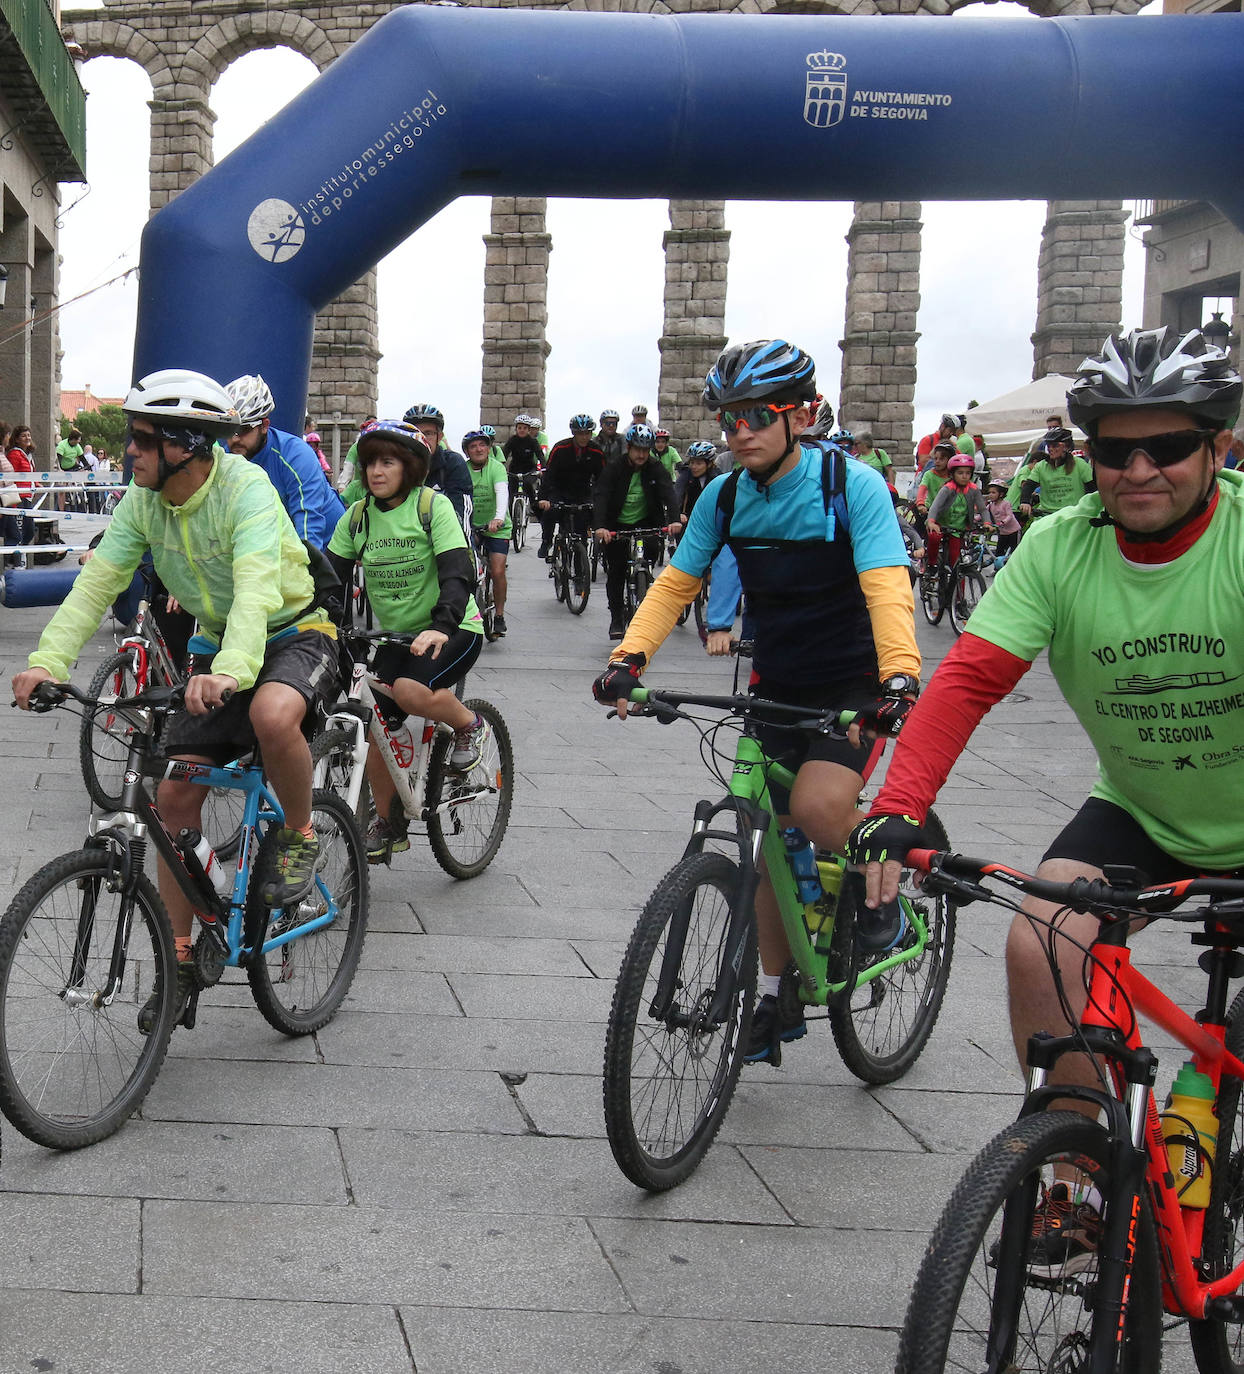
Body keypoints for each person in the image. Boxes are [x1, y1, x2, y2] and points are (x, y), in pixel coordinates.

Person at [848, 326, 1243, 1265]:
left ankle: (1206, 1119)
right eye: (1114, 449)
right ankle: (1079, 1178)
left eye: (1169, 446)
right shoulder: (1061, 547)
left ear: (1219, 448)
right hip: (1143, 813)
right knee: (1041, 934)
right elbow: (967, 682)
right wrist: (896, 808)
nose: (1139, 468)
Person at [592, 338, 920, 1065]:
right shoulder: (726, 493)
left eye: (755, 416)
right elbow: (678, 582)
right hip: (776, 680)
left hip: (854, 684)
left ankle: (883, 895)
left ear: (799, 416)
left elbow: (886, 586)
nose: (737, 430)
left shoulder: (851, 486)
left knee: (816, 808)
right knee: (760, 832)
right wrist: (628, 659)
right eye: (728, 416)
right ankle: (777, 999)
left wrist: (899, 676)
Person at [13, 370, 342, 1028]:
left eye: (139, 439)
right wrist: (46, 662)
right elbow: (97, 584)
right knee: (169, 804)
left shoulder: (244, 487)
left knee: (272, 713)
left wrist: (233, 669)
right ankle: (184, 959)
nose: (127, 451)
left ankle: (301, 835)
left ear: (185, 446)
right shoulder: (143, 503)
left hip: (296, 631)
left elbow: (254, 585)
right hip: (222, 645)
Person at [325, 420, 487, 864]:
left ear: (410, 468)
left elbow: (458, 572)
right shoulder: (357, 516)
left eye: (388, 462)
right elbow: (329, 576)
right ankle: (391, 824)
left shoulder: (431, 507)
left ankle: (468, 725)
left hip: (454, 628)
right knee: (375, 719)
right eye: (370, 462)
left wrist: (442, 624)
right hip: (396, 637)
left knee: (412, 692)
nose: (375, 471)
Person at [226, 375, 345, 550]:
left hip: (330, 543)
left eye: (243, 429)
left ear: (264, 425)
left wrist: (309, 572)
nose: (234, 439)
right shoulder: (227, 458)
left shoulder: (296, 456)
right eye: (229, 429)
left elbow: (308, 525)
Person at [593, 422, 676, 640]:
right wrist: (601, 526)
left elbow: (669, 493)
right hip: (617, 524)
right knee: (617, 570)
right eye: (637, 449)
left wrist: (675, 520)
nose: (641, 455)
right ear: (628, 447)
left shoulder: (656, 467)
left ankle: (643, 584)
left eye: (645, 450)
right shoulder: (614, 467)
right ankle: (617, 617)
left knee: (649, 555)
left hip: (647, 521)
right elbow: (601, 495)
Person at [463, 428, 510, 638]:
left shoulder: (496, 468)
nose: (478, 449)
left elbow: (501, 492)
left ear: (489, 448)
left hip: (497, 527)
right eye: (473, 446)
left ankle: (499, 616)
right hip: (471, 525)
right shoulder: (462, 470)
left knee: (498, 570)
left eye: (482, 445)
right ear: (467, 451)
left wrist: (499, 517)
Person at [539, 414, 604, 560]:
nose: (583, 437)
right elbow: (549, 475)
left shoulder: (596, 451)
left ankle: (582, 557)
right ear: (573, 433)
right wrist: (543, 498)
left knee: (585, 522)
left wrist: (601, 499)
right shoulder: (560, 448)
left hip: (583, 491)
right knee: (550, 512)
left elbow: (602, 478)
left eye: (587, 433)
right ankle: (546, 541)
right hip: (560, 489)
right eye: (580, 433)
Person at [925, 454, 990, 579]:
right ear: (952, 474)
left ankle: (958, 594)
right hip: (941, 525)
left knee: (956, 564)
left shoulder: (973, 489)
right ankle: (932, 564)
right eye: (960, 473)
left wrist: (987, 523)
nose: (964, 476)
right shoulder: (947, 489)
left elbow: (982, 508)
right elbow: (935, 506)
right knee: (934, 536)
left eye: (967, 473)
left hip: (958, 528)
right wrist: (931, 521)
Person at [1018, 425, 1094, 518]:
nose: (1050, 448)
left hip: (1073, 515)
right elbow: (1029, 485)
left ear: (1067, 446)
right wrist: (1025, 502)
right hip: (1047, 515)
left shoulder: (1079, 464)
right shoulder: (1041, 466)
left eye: (1055, 445)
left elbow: (1093, 487)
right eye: (1048, 445)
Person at [503, 413, 544, 519]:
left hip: (529, 469)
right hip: (514, 469)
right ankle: (511, 522)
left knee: (528, 487)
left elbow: (540, 455)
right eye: (519, 428)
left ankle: (537, 513)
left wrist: (543, 468)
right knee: (511, 494)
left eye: (525, 428)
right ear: (516, 428)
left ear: (529, 429)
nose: (522, 430)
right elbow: (504, 454)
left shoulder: (532, 441)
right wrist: (500, 466)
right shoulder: (512, 440)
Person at [6, 424, 35, 563]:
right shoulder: (14, 454)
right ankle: (15, 562)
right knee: (20, 531)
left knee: (29, 530)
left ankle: (17, 558)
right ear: (16, 439)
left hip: (27, 496)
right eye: (23, 436)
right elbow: (11, 476)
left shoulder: (28, 455)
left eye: (28, 435)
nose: (27, 438)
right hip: (18, 498)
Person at [984, 478, 1021, 560]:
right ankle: (998, 569)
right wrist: (974, 519)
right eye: (989, 492)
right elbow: (984, 513)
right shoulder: (991, 505)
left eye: (993, 492)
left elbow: (1009, 516)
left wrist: (1002, 522)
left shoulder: (1006, 504)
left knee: (1014, 552)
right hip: (1002, 533)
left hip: (1013, 531)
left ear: (1001, 494)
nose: (990, 495)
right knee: (999, 552)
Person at [55, 427, 84, 513]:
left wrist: (88, 467)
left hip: (73, 466)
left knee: (82, 470)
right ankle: (61, 509)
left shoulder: (77, 446)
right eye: (77, 442)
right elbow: (58, 459)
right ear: (73, 440)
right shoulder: (62, 445)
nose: (78, 444)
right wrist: (60, 470)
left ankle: (80, 503)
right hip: (63, 468)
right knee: (62, 490)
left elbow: (82, 458)